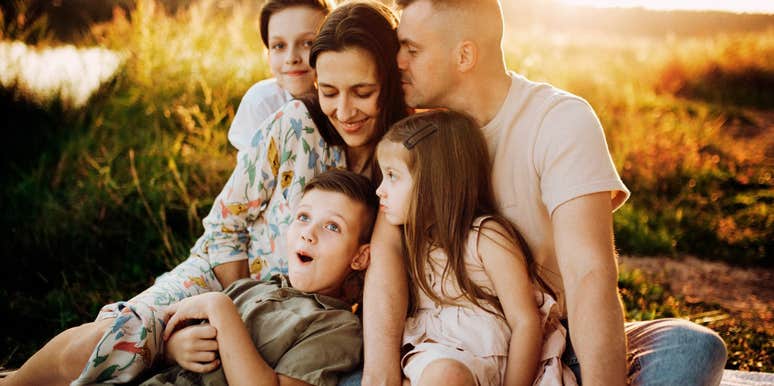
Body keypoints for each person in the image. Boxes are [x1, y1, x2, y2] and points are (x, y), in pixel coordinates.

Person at [2, 1, 406, 385]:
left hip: (298, 320)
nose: (345, 110)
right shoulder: (294, 125)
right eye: (329, 91)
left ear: (389, 80)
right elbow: (225, 227)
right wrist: (216, 319)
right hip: (225, 285)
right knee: (119, 337)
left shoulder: (402, 157)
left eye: (363, 92)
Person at [362, 1, 727, 385]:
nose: (398, 61)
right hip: (446, 351)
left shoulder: (559, 121)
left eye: (412, 49)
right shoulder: (418, 136)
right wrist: (380, 373)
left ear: (464, 54)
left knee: (692, 348)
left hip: (550, 340)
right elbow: (387, 250)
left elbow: (589, 272)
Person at [375, 110, 576, 386]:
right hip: (434, 361)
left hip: (492, 363)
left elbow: (525, 322)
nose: (380, 190)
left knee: (446, 376)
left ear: (435, 182)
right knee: (442, 375)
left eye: (392, 176)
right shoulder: (412, 242)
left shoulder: (485, 237)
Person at [139, 169, 378, 386]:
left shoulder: (338, 326)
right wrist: (173, 350)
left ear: (360, 256)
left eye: (332, 227)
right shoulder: (248, 288)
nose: (308, 233)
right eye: (304, 217)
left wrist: (220, 308)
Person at [228, 0, 331, 152]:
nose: (291, 58)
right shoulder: (261, 103)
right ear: (268, 55)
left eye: (308, 43)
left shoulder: (346, 100)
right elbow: (251, 171)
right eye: (279, 46)